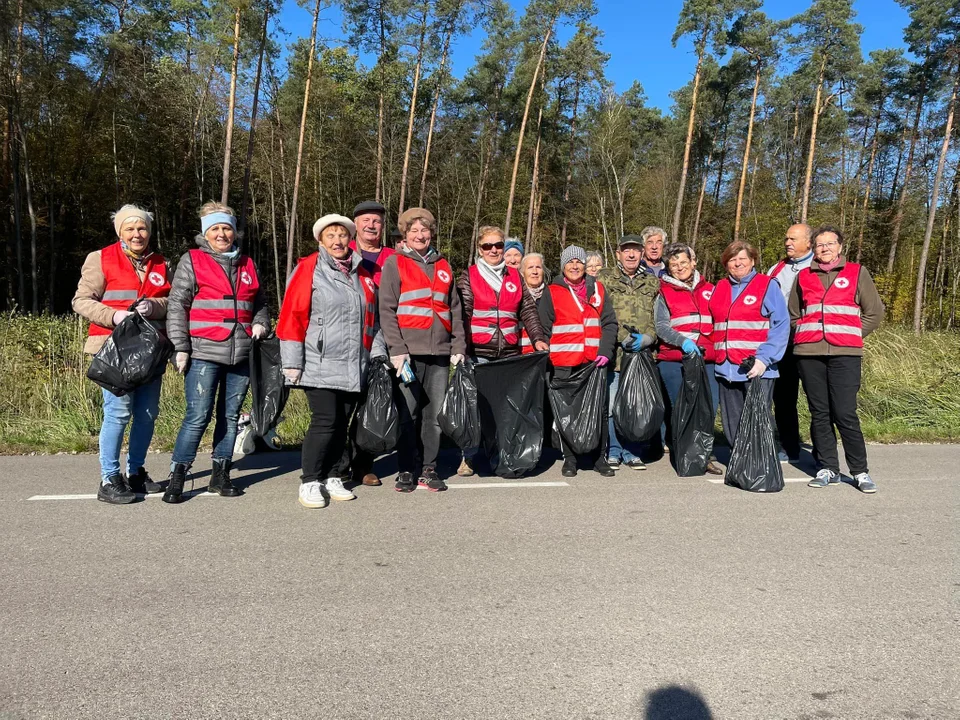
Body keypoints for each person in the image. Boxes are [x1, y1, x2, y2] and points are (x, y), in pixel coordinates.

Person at [163, 202, 270, 503]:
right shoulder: (193, 260)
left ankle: (220, 474)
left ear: (235, 232)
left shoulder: (247, 263)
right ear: (205, 233)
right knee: (197, 416)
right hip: (203, 351)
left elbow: (260, 301)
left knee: (231, 415)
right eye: (215, 229)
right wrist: (180, 347)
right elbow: (177, 305)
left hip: (241, 352)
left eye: (227, 228)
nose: (222, 234)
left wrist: (260, 323)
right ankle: (179, 474)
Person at [277, 214, 386, 509]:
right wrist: (292, 361)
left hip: (354, 362)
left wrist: (378, 354)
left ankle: (334, 475)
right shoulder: (308, 268)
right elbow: (292, 314)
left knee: (342, 423)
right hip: (319, 360)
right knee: (325, 421)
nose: (337, 241)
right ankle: (310, 480)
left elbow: (371, 320)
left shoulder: (362, 272)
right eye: (331, 236)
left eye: (342, 235)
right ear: (320, 241)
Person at [72, 205, 170, 504]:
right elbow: (81, 301)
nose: (137, 234)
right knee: (118, 413)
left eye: (141, 228)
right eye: (130, 229)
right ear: (120, 233)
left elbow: (172, 300)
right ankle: (109, 478)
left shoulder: (160, 262)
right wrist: (113, 316)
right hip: (113, 348)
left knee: (147, 414)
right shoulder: (100, 258)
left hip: (150, 350)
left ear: (149, 232)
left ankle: (136, 472)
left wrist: (155, 307)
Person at [790, 226, 885, 493]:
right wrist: (806, 334)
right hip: (809, 354)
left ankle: (860, 471)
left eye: (830, 244)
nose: (824, 248)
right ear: (813, 248)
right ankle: (827, 467)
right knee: (819, 413)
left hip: (846, 353)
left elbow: (874, 313)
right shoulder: (804, 276)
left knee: (844, 413)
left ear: (840, 247)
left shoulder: (857, 273)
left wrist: (851, 333)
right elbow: (793, 315)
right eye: (819, 244)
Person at [379, 207, 467, 493]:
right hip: (408, 354)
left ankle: (429, 469)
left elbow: (454, 308)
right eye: (414, 230)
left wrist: (458, 344)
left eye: (424, 230)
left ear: (431, 234)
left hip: (440, 353)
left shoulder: (443, 265)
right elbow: (387, 310)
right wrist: (397, 348)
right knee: (409, 412)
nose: (420, 235)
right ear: (405, 234)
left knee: (434, 416)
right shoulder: (395, 263)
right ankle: (406, 468)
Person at [455, 226, 548, 476]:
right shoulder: (469, 276)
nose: (494, 250)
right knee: (477, 409)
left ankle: (500, 455)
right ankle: (469, 457)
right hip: (478, 352)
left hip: (509, 352)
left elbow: (527, 310)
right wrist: (460, 348)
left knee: (505, 409)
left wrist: (538, 338)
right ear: (479, 250)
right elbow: (462, 314)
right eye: (488, 246)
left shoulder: (515, 276)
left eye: (498, 245)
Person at [539, 245, 618, 477]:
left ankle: (599, 458)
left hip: (594, 362)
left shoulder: (598, 289)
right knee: (567, 412)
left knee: (599, 411)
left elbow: (610, 323)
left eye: (579, 262)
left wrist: (605, 351)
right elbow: (544, 328)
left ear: (585, 265)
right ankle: (570, 459)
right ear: (563, 266)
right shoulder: (551, 291)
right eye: (570, 262)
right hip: (563, 363)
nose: (575, 266)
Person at [708, 240, 789, 447]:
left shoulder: (767, 285)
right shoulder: (720, 287)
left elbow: (781, 324)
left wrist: (764, 359)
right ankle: (740, 464)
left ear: (752, 261)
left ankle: (758, 469)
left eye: (742, 258)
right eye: (732, 260)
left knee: (756, 422)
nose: (737, 264)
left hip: (756, 368)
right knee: (732, 424)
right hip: (726, 368)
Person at [654, 243, 722, 475]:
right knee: (681, 408)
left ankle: (705, 454)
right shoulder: (663, 292)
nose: (679, 267)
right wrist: (682, 341)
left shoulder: (712, 289)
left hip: (708, 359)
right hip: (675, 358)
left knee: (708, 408)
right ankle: (684, 452)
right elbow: (661, 326)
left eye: (683, 262)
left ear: (693, 262)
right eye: (674, 264)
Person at [597, 235, 660, 470]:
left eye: (635, 250)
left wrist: (649, 337)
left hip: (642, 357)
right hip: (614, 355)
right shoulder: (603, 278)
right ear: (618, 253)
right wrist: (619, 337)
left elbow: (658, 316)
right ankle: (613, 450)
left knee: (636, 405)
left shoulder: (652, 282)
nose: (631, 255)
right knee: (613, 405)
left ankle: (632, 452)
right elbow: (598, 314)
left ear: (642, 253)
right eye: (626, 251)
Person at [768, 223, 815, 463]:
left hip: (810, 343)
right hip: (782, 343)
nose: (788, 243)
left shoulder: (819, 267)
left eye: (793, 239)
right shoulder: (776, 269)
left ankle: (822, 451)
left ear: (809, 242)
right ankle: (789, 447)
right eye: (786, 238)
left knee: (818, 399)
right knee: (784, 399)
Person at [350, 200, 395, 287]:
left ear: (382, 226)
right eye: (366, 220)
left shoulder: (394, 257)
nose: (371, 226)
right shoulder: (344, 252)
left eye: (376, 221)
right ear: (355, 224)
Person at [519, 252, 548, 352]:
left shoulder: (551, 295)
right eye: (530, 267)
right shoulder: (517, 296)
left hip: (546, 351)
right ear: (522, 273)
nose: (535, 271)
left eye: (538, 267)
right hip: (520, 352)